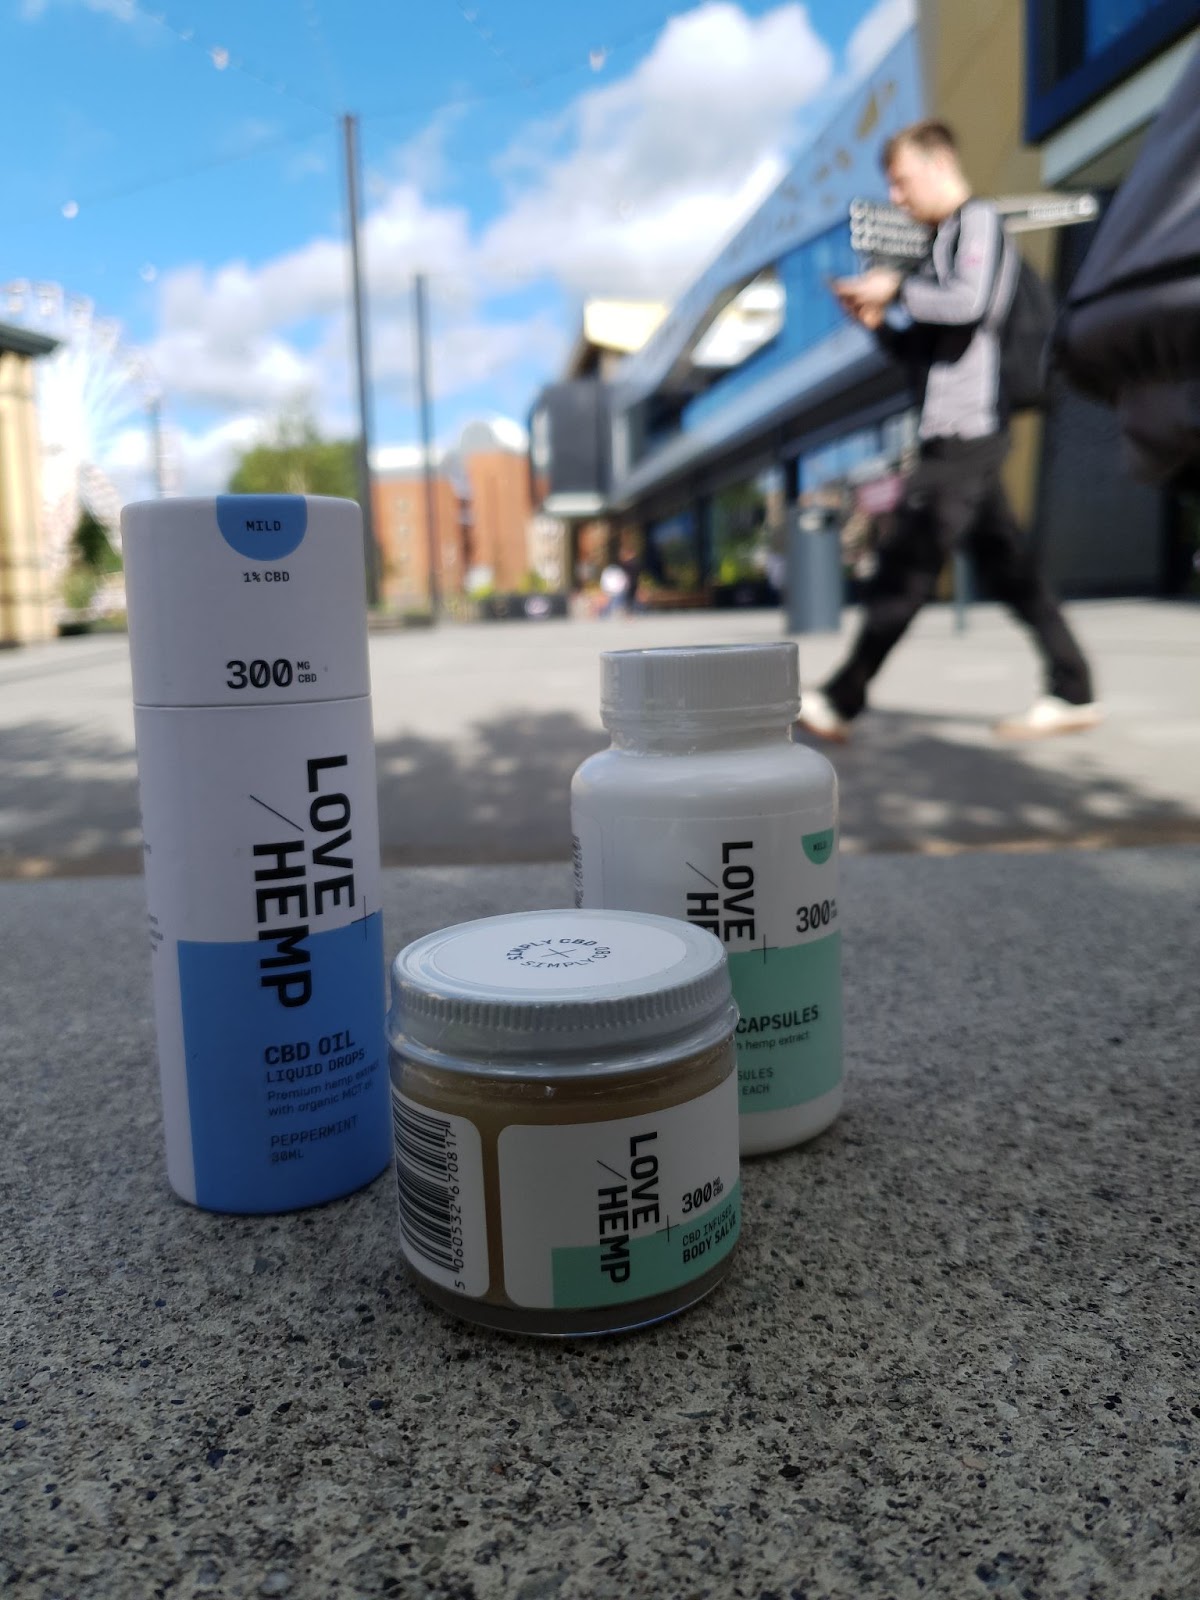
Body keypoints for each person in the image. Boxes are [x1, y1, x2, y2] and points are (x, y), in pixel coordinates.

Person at [797, 119, 1102, 743]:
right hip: (953, 431)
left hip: (969, 432)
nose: (898, 198)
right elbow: (925, 353)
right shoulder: (940, 243)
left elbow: (967, 303)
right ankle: (1074, 689)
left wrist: (895, 286)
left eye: (903, 182)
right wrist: (877, 323)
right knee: (1012, 573)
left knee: (909, 563)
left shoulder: (977, 222)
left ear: (940, 165)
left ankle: (841, 698)